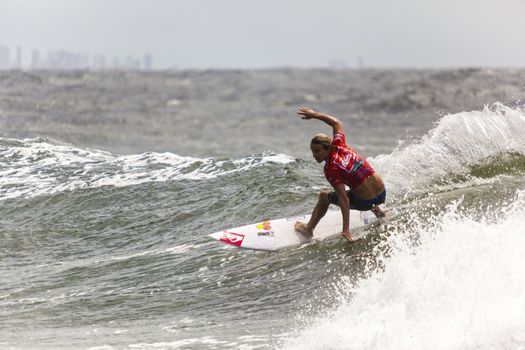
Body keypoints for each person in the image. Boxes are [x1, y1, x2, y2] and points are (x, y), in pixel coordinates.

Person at [294, 107, 386, 241]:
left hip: (366, 202)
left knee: (324, 196)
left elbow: (344, 199)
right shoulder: (340, 144)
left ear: (327, 148)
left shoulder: (330, 168)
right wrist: (314, 115)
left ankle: (308, 229)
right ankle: (379, 212)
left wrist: (346, 230)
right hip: (382, 194)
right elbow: (336, 123)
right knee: (356, 181)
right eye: (312, 151)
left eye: (318, 151)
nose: (314, 155)